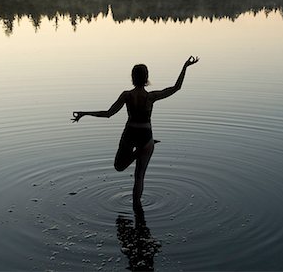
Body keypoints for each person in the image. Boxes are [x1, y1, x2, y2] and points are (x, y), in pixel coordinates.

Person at [71, 56, 199, 209]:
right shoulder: (151, 97)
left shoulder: (127, 95)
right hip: (146, 138)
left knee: (119, 166)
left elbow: (108, 113)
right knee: (139, 177)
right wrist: (185, 66)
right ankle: (137, 210)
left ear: (132, 77)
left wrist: (84, 113)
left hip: (130, 134)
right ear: (147, 78)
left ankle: (138, 154)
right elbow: (175, 88)